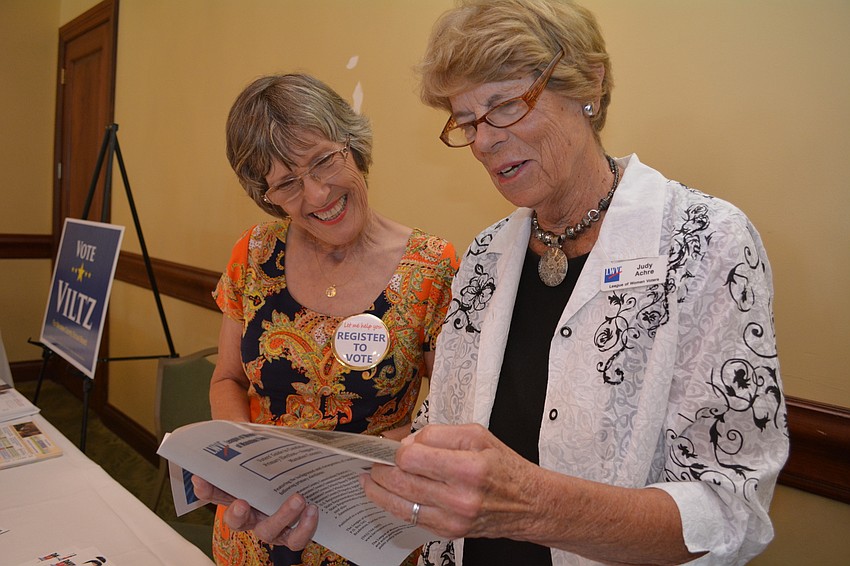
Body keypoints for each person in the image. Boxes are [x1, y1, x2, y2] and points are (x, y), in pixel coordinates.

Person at [356, 1, 789, 565]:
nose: (483, 142)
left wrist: (531, 504)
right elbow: (436, 433)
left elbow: (733, 515)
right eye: (467, 122)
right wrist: (310, 485)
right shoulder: (486, 256)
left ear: (589, 84)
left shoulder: (706, 242)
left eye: (505, 106)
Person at [192, 73, 458, 566]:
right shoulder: (253, 255)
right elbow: (226, 377)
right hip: (255, 528)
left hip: (369, 526)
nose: (316, 195)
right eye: (287, 183)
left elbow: (448, 413)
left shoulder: (432, 267)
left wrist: (344, 466)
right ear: (267, 195)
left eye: (323, 162)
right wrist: (241, 461)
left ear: (352, 147)